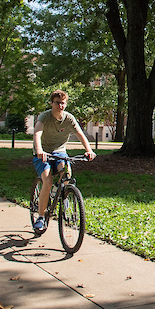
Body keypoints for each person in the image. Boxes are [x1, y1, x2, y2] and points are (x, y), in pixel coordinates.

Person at [31, 90, 96, 231]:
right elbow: (37, 132)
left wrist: (89, 150)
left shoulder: (69, 118)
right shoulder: (45, 116)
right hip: (43, 153)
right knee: (47, 180)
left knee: (66, 173)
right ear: (51, 103)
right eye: (57, 102)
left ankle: (62, 195)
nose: (60, 105)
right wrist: (39, 150)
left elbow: (80, 134)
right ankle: (41, 217)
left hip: (59, 152)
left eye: (63, 103)